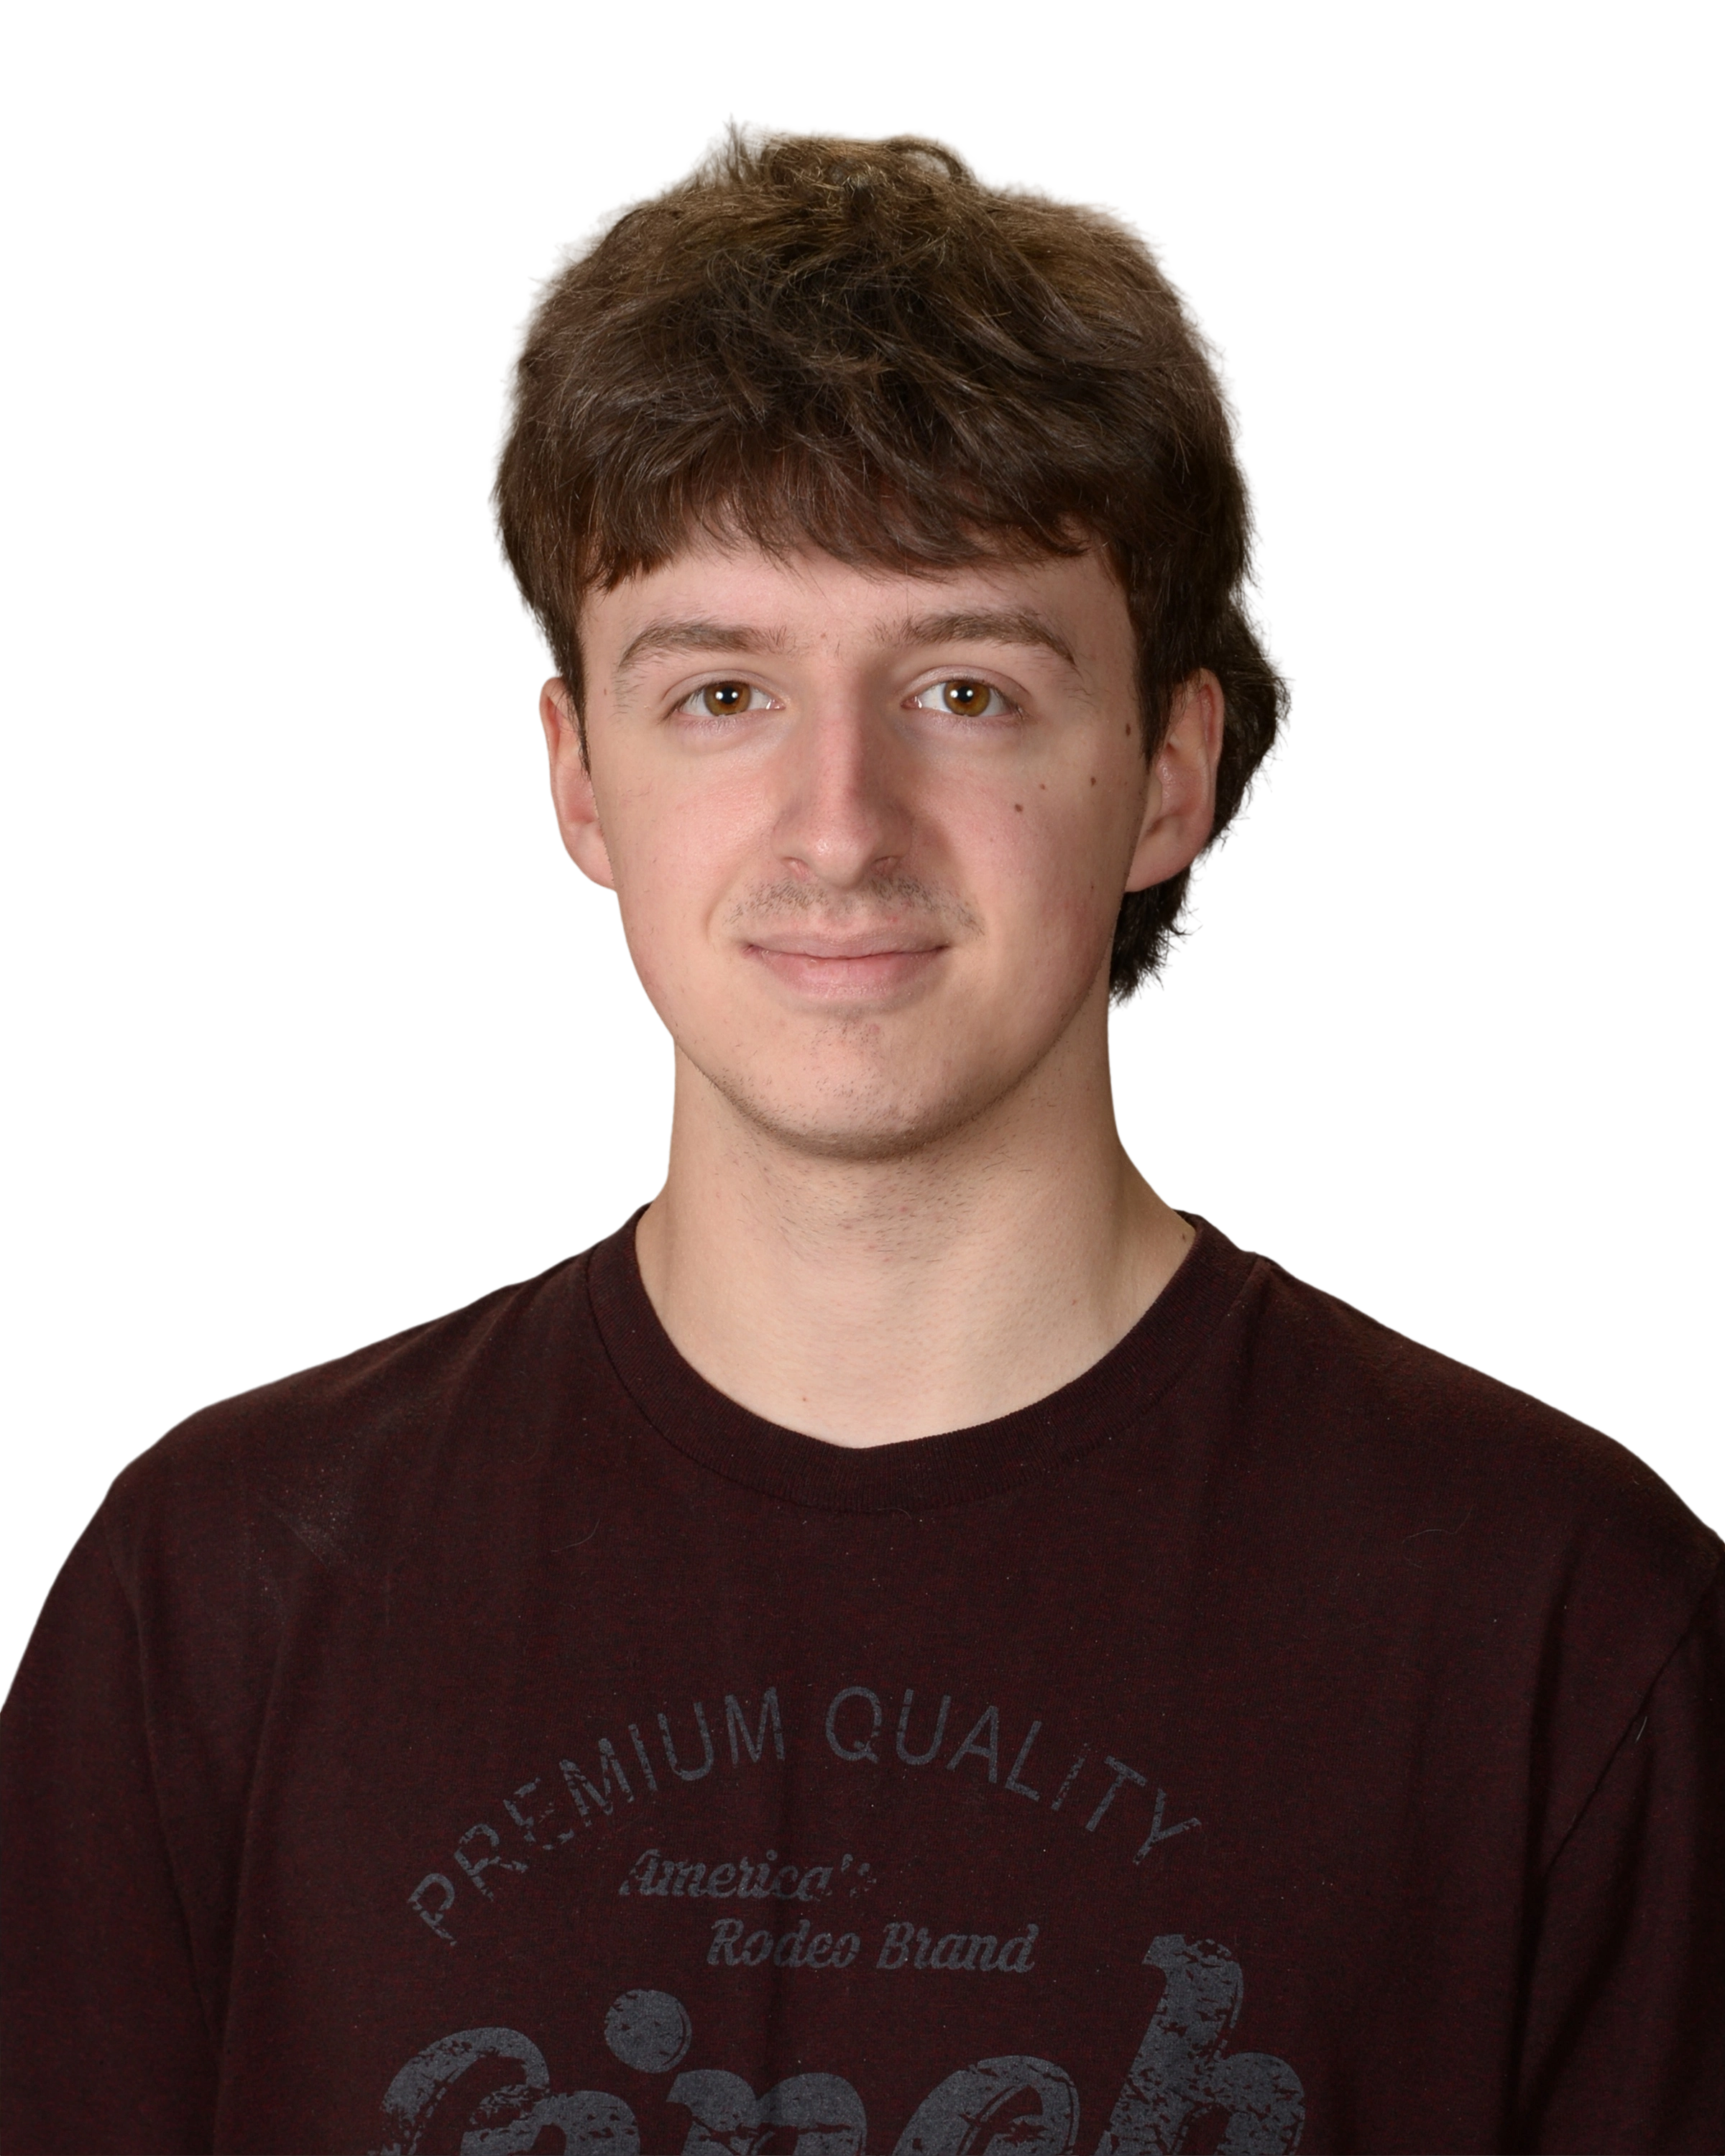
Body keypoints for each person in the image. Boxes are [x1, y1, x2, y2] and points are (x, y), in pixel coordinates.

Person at [2, 116, 1719, 2155]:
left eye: (966, 690)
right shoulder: (211, 1595)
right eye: (722, 693)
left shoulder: (1565, 1629)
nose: (839, 827)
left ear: (1169, 774)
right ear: (575, 776)